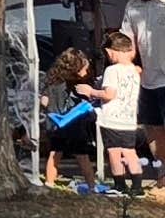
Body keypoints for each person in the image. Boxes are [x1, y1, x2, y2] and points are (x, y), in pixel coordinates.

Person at [40, 41, 106, 188]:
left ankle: (49, 182)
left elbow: (44, 101)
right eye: (84, 67)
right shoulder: (76, 85)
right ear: (76, 68)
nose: (86, 70)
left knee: (55, 153)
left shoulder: (51, 80)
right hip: (74, 124)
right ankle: (91, 185)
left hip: (55, 123)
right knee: (82, 156)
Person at [100, 31, 148, 191]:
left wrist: (91, 92)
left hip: (112, 119)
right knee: (129, 152)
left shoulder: (112, 71)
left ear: (110, 51)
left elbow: (109, 94)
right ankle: (137, 186)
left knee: (114, 152)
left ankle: (119, 185)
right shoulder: (134, 71)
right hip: (129, 120)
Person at [124, 0, 165, 149]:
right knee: (153, 128)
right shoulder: (133, 5)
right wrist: (127, 63)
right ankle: (163, 172)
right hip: (148, 78)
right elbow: (127, 41)